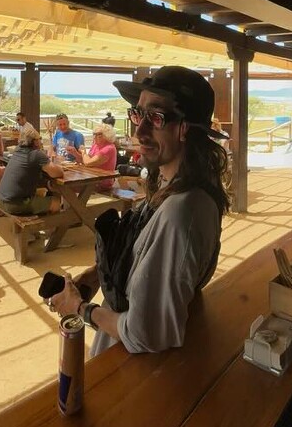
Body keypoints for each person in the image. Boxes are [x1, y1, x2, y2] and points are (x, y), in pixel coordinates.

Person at [48, 66, 228, 356]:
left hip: (133, 366)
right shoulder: (173, 187)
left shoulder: (182, 213)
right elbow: (151, 256)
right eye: (138, 113)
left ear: (185, 129)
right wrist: (99, 276)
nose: (139, 130)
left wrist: (80, 308)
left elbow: (145, 334)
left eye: (156, 117)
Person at [0, 128, 65, 216]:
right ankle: (53, 227)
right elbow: (58, 173)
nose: (41, 142)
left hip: (1, 200)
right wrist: (58, 166)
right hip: (14, 204)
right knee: (56, 202)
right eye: (39, 139)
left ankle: (41, 212)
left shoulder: (17, 150)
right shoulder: (36, 154)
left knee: (41, 193)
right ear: (35, 142)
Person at [67, 123, 119, 192]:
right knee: (63, 186)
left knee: (67, 187)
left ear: (106, 135)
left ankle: (74, 202)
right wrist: (75, 153)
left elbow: (88, 163)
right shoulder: (96, 145)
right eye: (94, 134)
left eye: (98, 134)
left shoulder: (109, 148)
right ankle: (70, 202)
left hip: (101, 182)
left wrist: (83, 152)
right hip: (91, 177)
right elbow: (85, 160)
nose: (94, 137)